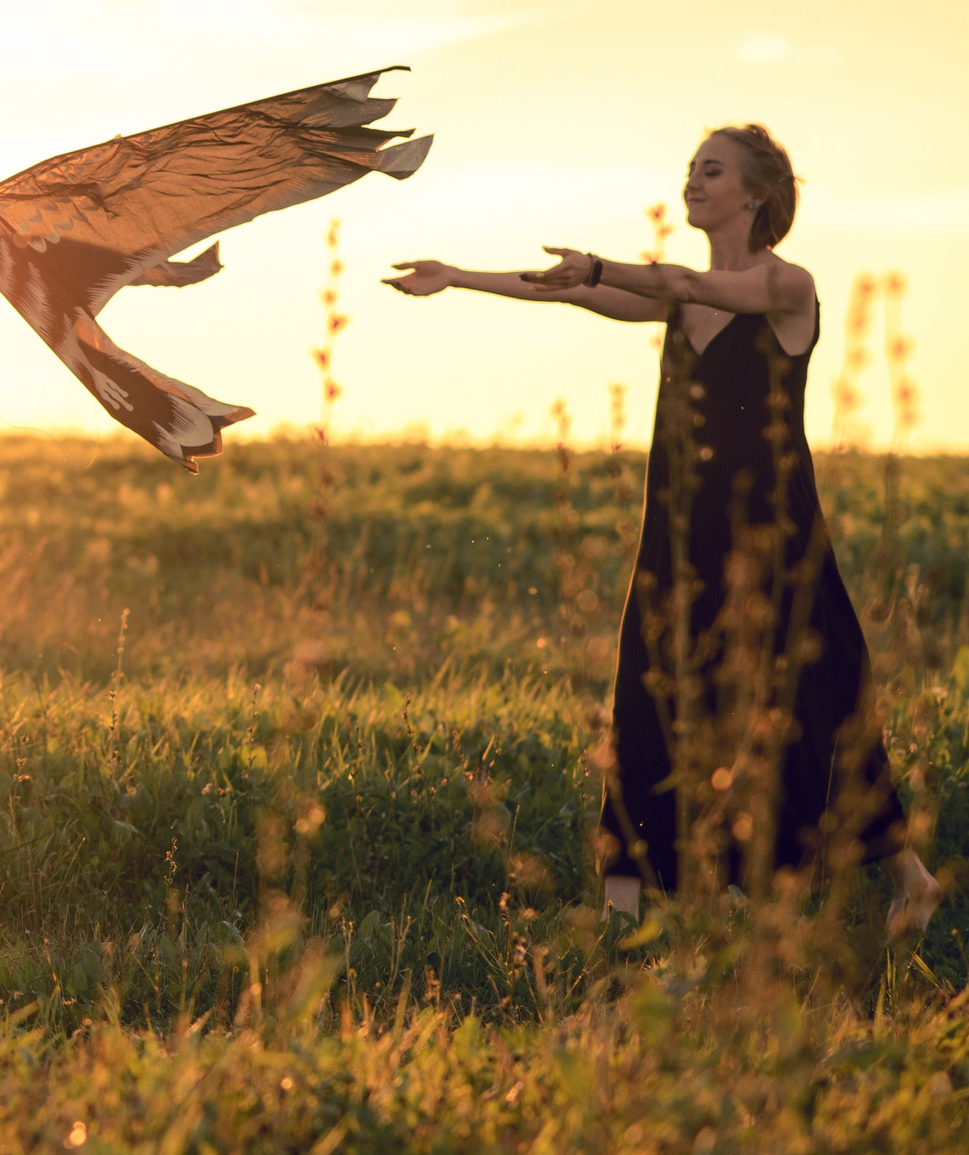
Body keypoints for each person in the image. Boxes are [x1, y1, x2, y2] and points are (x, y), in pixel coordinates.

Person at [384, 125, 938, 932]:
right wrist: (459, 277)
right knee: (648, 693)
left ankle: (896, 878)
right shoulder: (676, 297)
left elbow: (690, 284)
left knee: (811, 701)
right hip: (677, 534)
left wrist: (607, 264)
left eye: (710, 170)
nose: (692, 181)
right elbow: (568, 290)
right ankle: (622, 909)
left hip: (771, 537)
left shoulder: (788, 286)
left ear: (754, 193)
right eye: (689, 169)